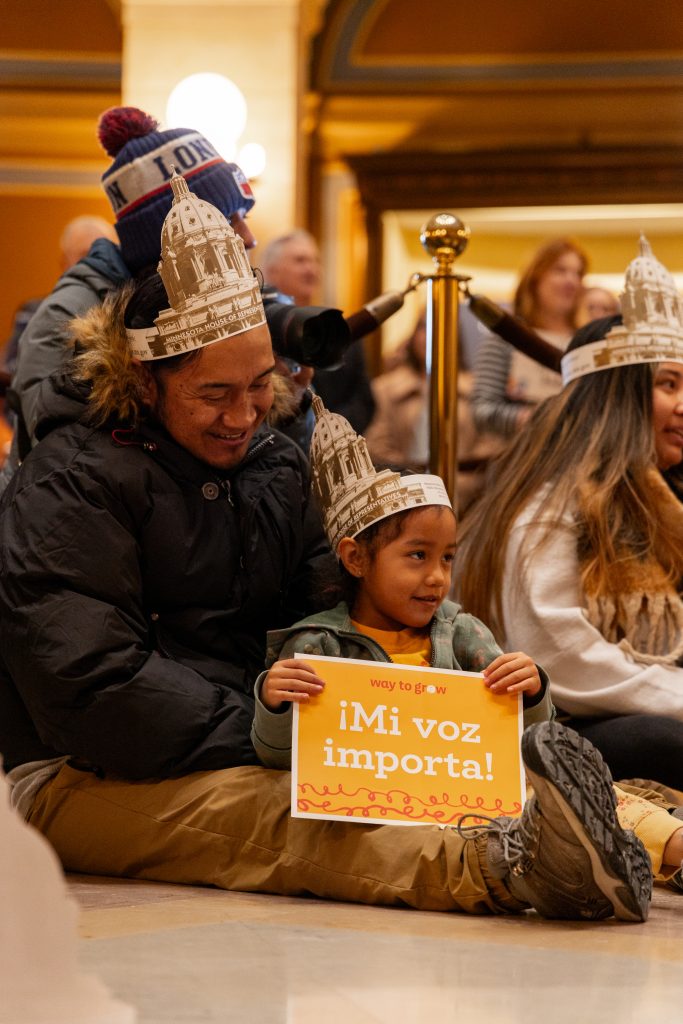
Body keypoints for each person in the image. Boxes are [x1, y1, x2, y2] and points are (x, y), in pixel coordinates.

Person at [0, 177, 656, 923]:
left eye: (258, 387)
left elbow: (332, 608)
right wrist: (274, 731)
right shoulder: (69, 480)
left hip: (268, 725)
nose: (244, 415)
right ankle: (510, 867)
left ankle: (658, 843)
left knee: (464, 760)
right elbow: (89, 682)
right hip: (84, 770)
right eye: (215, 394)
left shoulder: (274, 464)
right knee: (288, 813)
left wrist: (435, 692)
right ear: (143, 379)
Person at [455, 237, 683, 790]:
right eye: (668, 384)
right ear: (616, 399)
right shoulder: (550, 505)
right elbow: (560, 657)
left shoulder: (658, 499)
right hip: (559, 725)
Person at [0, 105, 259, 491]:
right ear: (168, 239)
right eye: (230, 219)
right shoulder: (67, 319)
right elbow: (56, 476)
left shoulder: (219, 300)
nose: (248, 237)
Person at [364, 309, 498, 510]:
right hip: (404, 495)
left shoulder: (476, 390)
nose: (432, 336)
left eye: (440, 328)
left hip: (467, 498)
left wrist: (459, 484)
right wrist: (413, 482)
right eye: (424, 328)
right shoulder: (386, 389)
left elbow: (490, 445)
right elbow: (376, 445)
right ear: (413, 336)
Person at [260, 230, 375, 433]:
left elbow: (364, 401)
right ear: (271, 271)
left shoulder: (339, 329)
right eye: (300, 260)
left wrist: (329, 431)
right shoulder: (257, 330)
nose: (311, 269)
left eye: (315, 261)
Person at [471, 238, 587, 439]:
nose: (572, 281)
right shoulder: (506, 337)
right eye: (560, 271)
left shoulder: (585, 341)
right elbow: (481, 409)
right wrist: (532, 419)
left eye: (577, 273)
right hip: (518, 459)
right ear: (535, 279)